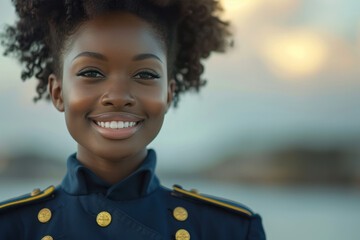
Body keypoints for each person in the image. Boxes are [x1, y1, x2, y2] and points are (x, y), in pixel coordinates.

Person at [0, 0, 266, 239]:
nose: (117, 96)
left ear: (169, 94)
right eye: (91, 72)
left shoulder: (230, 231)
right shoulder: (12, 228)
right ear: (58, 92)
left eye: (146, 75)